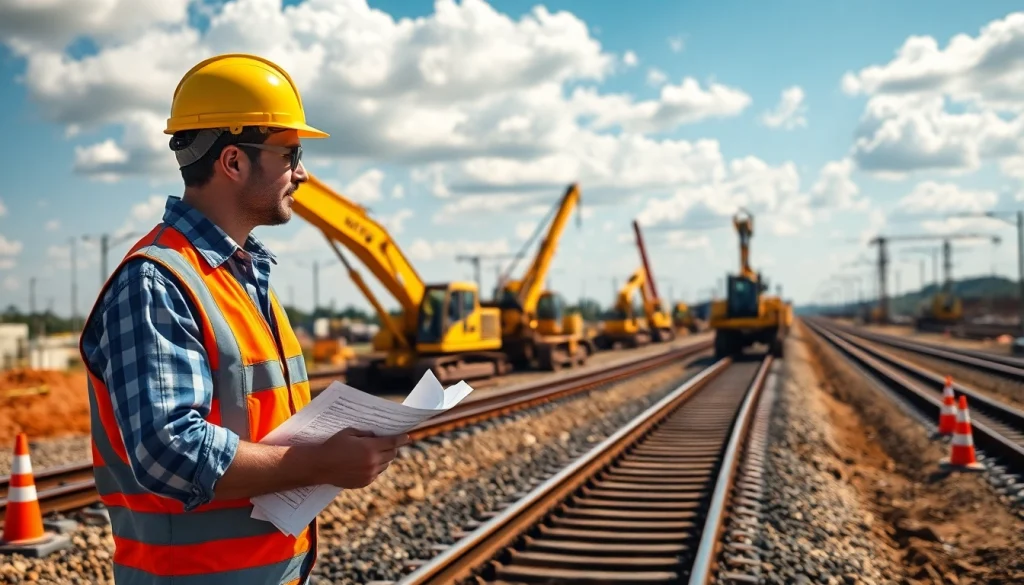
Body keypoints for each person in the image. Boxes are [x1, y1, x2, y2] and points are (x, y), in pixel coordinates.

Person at [78, 53, 409, 585]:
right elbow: (171, 450)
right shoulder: (157, 282)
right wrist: (322, 464)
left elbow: (255, 420)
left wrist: (335, 441)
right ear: (233, 161)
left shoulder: (243, 278)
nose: (302, 173)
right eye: (291, 153)